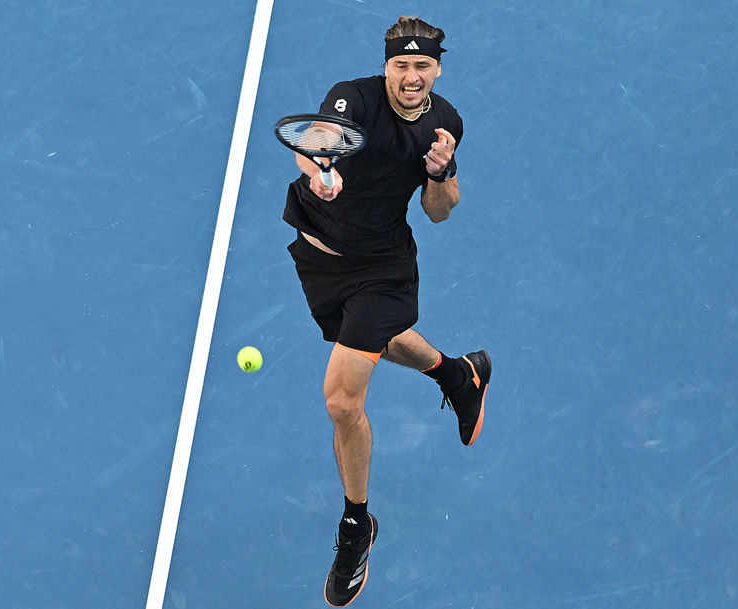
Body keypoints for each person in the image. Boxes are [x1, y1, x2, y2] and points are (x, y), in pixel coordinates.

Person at [281, 16, 491, 607]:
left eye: (422, 66)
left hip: (381, 268)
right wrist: (319, 174)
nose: (410, 77)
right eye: (401, 65)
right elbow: (317, 145)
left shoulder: (444, 123)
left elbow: (440, 211)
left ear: (438, 69)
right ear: (387, 65)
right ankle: (457, 371)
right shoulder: (354, 98)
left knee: (342, 399)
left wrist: (441, 172)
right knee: (372, 338)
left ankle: (356, 527)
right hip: (318, 255)